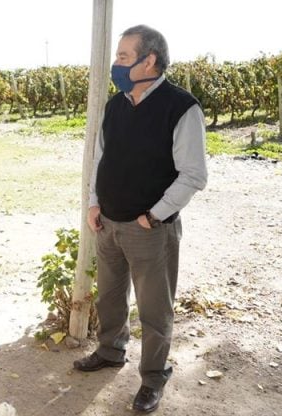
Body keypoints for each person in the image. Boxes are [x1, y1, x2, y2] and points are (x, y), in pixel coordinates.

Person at [72, 25, 208, 413]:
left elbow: (194, 174)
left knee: (154, 309)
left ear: (150, 60)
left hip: (150, 229)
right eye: (117, 56)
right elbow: (102, 158)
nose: (116, 64)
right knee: (110, 299)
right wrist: (95, 204)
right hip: (108, 223)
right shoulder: (116, 105)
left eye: (123, 57)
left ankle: (153, 376)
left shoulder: (181, 107)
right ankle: (111, 352)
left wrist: (154, 215)